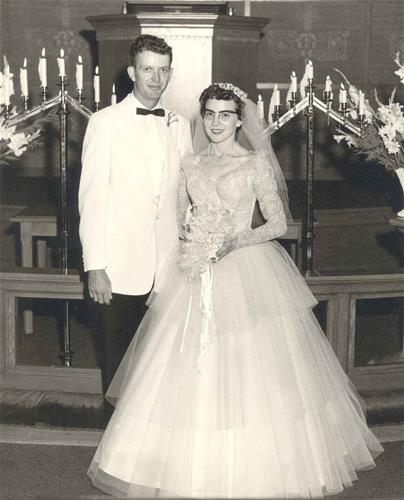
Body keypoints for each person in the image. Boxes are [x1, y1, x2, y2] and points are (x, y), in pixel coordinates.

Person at [87, 83, 383, 498]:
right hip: (195, 273)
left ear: (240, 120)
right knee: (185, 369)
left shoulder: (254, 162)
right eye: (209, 113)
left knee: (249, 371)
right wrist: (195, 240)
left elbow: (277, 224)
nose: (216, 122)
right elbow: (178, 219)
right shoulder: (190, 164)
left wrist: (233, 241)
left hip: (245, 267)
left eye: (225, 115)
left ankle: (253, 468)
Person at [78, 35, 192, 418]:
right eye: (147, 69)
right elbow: (92, 199)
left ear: (171, 73)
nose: (155, 78)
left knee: (160, 367)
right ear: (132, 72)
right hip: (119, 268)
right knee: (118, 367)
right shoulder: (104, 123)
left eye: (163, 70)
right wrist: (96, 266)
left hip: (168, 269)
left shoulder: (180, 125)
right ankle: (116, 443)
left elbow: (186, 195)